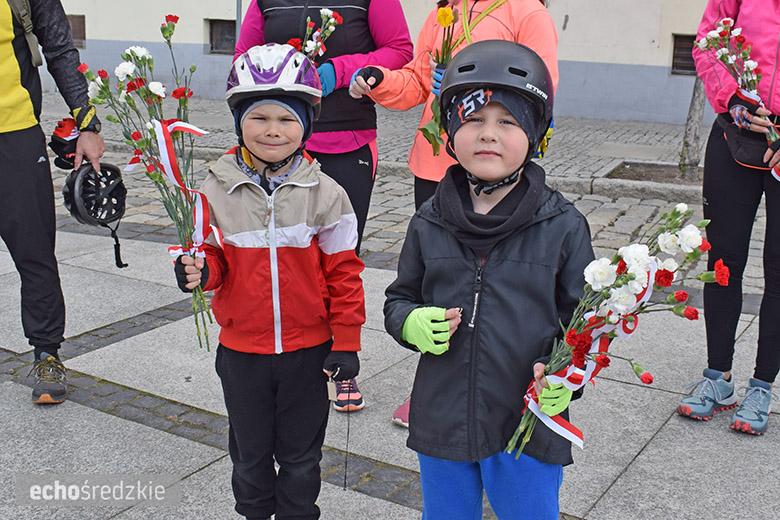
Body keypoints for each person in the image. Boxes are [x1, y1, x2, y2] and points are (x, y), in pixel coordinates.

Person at [383, 41, 594, 518]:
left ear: (537, 133)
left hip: (525, 421)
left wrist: (569, 374)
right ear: (450, 132)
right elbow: (399, 298)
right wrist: (409, 320)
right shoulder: (428, 220)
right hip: (442, 418)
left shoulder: (563, 226)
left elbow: (585, 322)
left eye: (508, 122)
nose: (488, 135)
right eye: (473, 120)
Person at [174, 44, 366, 519]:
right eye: (259, 118)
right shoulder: (213, 189)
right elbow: (215, 260)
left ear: (307, 125)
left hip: (307, 352)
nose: (273, 131)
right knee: (249, 456)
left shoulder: (326, 193)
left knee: (301, 459)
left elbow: (344, 272)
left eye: (286, 119)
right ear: (239, 120)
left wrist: (346, 341)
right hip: (243, 354)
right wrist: (200, 272)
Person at [350, 0, 558, 427]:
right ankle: (433, 387)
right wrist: (381, 80)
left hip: (493, 167)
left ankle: (499, 381)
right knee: (438, 280)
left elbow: (542, 89)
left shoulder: (527, 13)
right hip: (434, 164)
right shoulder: (444, 13)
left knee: (492, 282)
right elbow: (417, 82)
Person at [236, 0, 413, 413]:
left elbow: (400, 50)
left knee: (339, 258)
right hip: (282, 145)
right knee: (285, 256)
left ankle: (343, 361)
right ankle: (290, 356)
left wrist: (340, 70)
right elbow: (244, 57)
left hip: (346, 140)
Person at [677, 0, 780, 435]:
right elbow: (707, 43)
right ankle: (718, 377)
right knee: (722, 262)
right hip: (734, 136)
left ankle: (762, 385)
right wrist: (734, 99)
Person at [0, 0, 104, 404]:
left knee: (35, 252)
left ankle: (47, 354)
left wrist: (87, 123)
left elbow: (60, 49)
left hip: (15, 133)